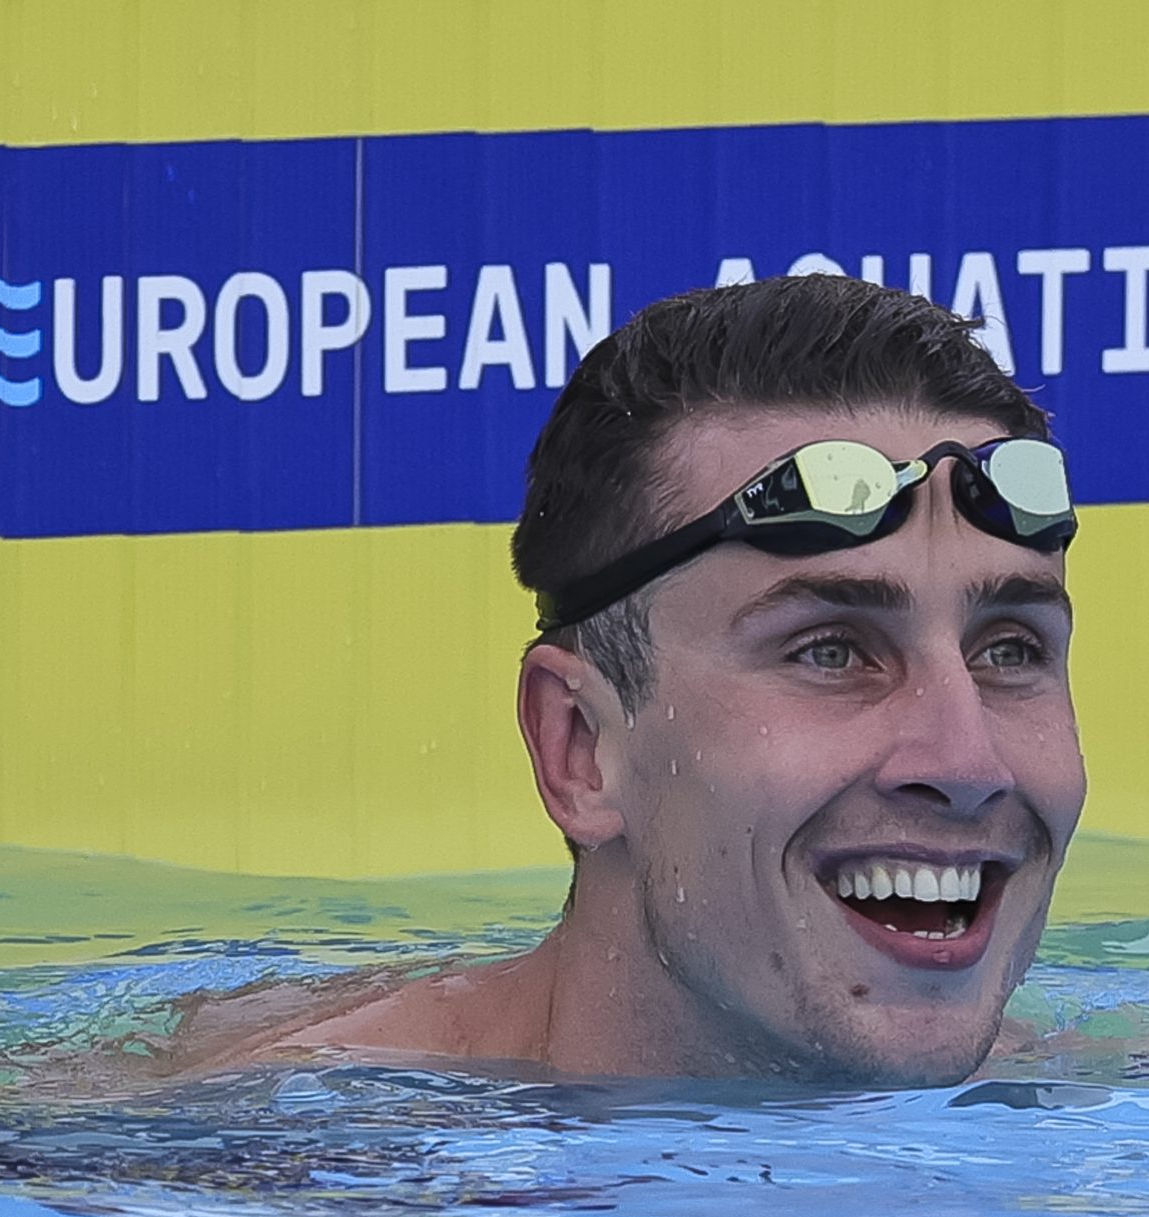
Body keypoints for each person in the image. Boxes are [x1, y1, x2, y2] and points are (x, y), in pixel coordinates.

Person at [202, 276, 1088, 1085]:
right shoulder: (297, 1167)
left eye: (1008, 651)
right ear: (580, 749)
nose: (969, 763)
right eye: (830, 650)